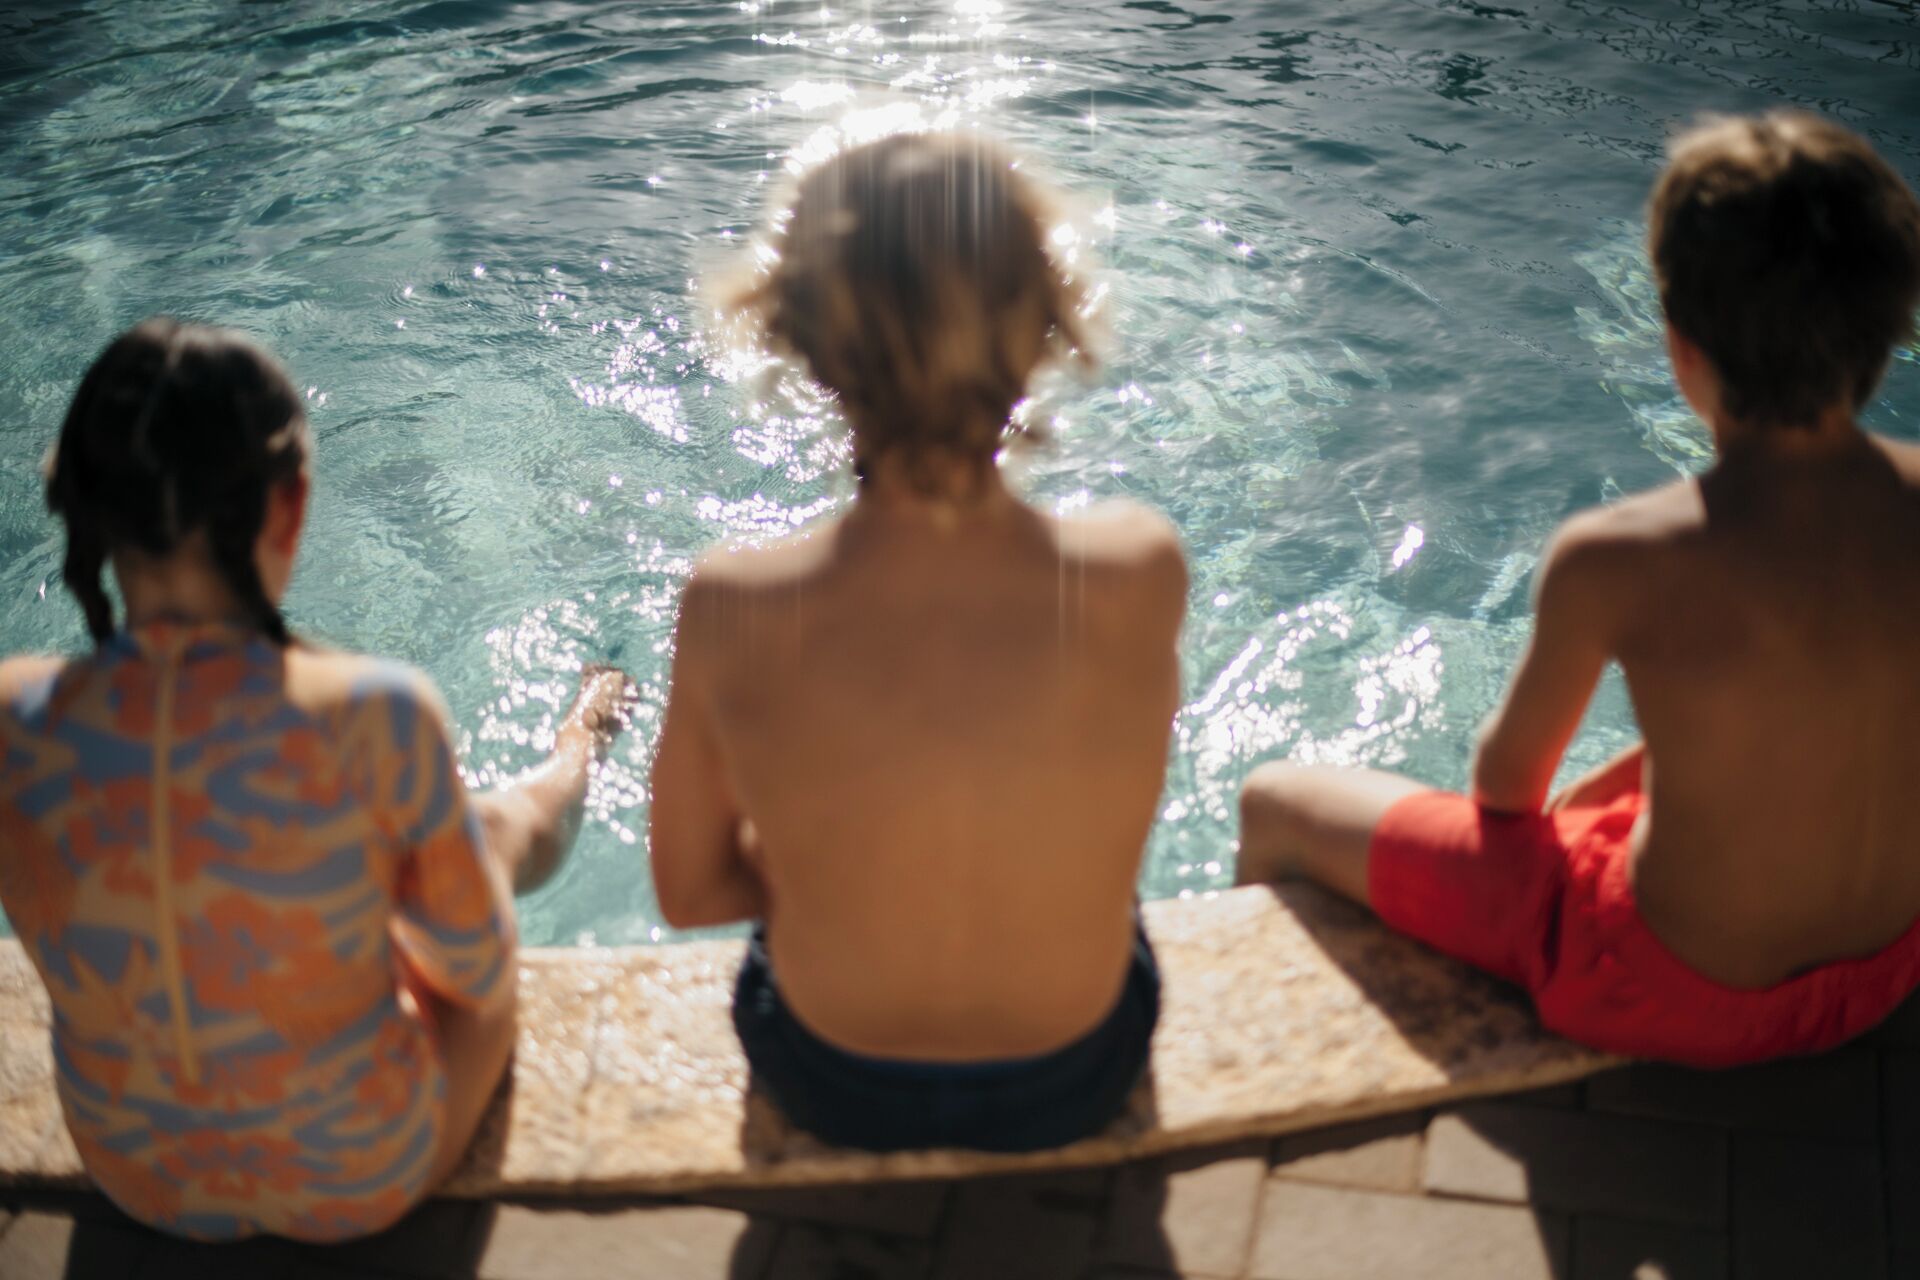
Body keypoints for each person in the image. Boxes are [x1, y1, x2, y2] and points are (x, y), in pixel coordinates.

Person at [1238, 111, 1920, 1068]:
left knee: (1276, 800)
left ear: (1679, 345)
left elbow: (1505, 790)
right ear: (1890, 329)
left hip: (1668, 989)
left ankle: (1263, 1071)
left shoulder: (1621, 554)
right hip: (1883, 973)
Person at [0, 319, 631, 1241]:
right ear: (290, 504)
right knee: (486, 841)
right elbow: (475, 972)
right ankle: (580, 743)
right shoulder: (374, 712)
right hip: (357, 1173)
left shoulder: (13, 717)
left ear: (87, 512)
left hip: (138, 1172)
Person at [649, 131, 1186, 1151]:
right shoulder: (1139, 568)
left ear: (798, 343)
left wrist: (832, 847)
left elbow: (689, 890)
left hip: (835, 1077)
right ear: (1045, 326)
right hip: (1073, 1070)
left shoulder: (733, 603)